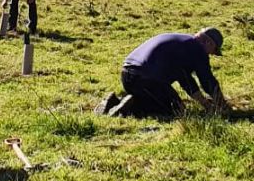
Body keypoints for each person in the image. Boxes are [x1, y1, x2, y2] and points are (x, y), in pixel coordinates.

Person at [98, 29, 229, 118]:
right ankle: (131, 106)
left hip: (127, 76)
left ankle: (116, 102)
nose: (210, 54)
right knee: (177, 110)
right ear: (208, 42)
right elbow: (207, 80)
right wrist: (221, 104)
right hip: (146, 79)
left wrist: (203, 102)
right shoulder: (197, 50)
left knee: (167, 101)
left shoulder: (183, 43)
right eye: (213, 50)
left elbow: (184, 78)